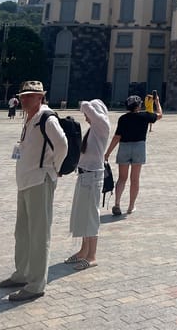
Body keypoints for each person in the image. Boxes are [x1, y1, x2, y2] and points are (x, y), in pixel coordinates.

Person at [0, 80, 68, 302]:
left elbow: (62, 145)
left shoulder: (47, 118)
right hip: (26, 182)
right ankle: (22, 274)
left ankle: (36, 284)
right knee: (23, 232)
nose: (24, 99)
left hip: (39, 181)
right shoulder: (30, 118)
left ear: (40, 97)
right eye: (23, 95)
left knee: (38, 234)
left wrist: (53, 168)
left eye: (29, 96)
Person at [66, 99, 111, 270]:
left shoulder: (102, 125)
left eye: (87, 115)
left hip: (93, 178)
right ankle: (84, 250)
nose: (86, 117)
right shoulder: (94, 129)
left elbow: (85, 105)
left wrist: (88, 105)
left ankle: (92, 255)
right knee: (82, 215)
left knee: (91, 216)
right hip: (85, 175)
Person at [104, 93, 163, 216]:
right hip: (139, 147)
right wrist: (157, 102)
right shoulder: (145, 116)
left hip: (124, 147)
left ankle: (117, 204)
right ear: (139, 105)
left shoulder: (123, 118)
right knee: (135, 179)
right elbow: (160, 115)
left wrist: (108, 153)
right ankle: (131, 206)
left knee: (122, 178)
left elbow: (116, 137)